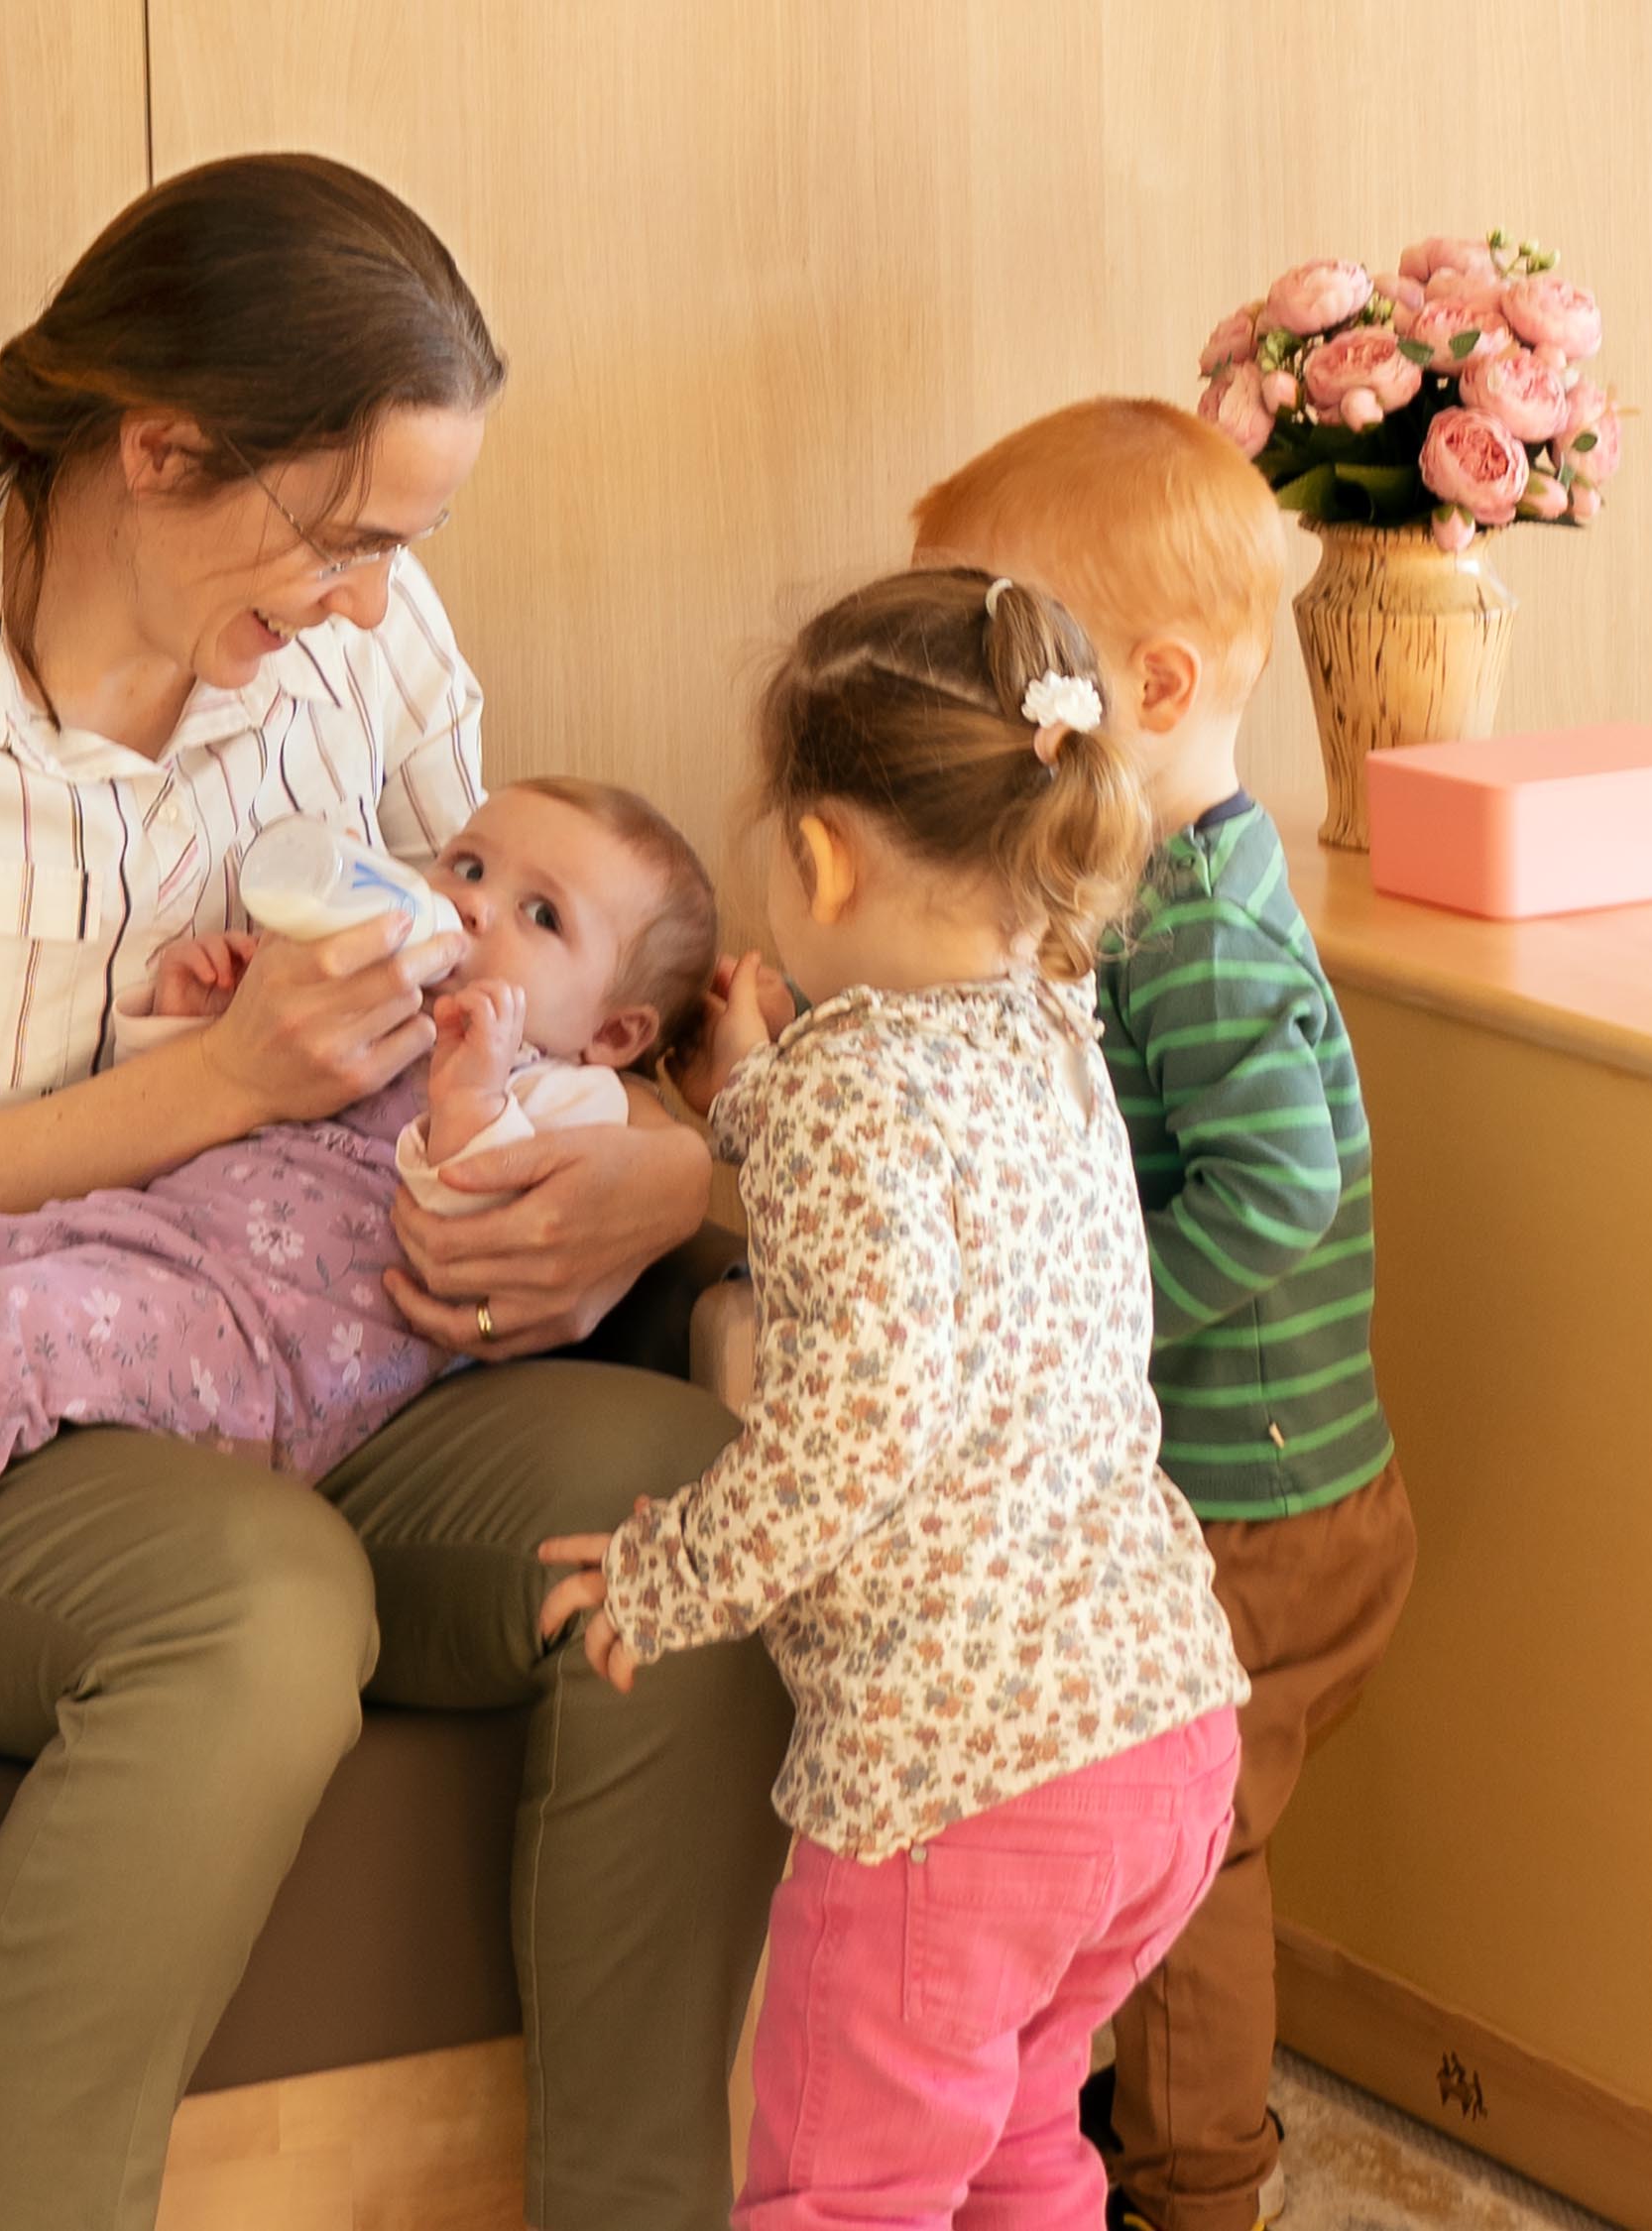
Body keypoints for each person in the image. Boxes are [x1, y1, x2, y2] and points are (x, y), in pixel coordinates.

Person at [0, 151, 789, 2231]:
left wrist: (666, 1182)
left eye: (399, 548)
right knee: (257, 1606)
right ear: (161, 449)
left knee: (698, 1517)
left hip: (310, 1367)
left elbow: (564, 986)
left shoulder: (364, 637)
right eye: (339, 539)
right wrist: (226, 1086)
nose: (367, 603)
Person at [541, 567, 1250, 2228]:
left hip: (963, 1789)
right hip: (1158, 1741)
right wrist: (756, 1101)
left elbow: (856, 1422)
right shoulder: (1057, 1028)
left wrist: (672, 1574)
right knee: (1017, 2140)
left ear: (820, 856)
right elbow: (927, 1209)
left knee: (846, 2191)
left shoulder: (854, 1101)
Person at [0, 777, 715, 1641]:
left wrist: (463, 1093)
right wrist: (185, 1014)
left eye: (540, 915)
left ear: (613, 1033)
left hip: (262, 1353)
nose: (470, 912)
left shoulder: (565, 1095)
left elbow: (482, 1218)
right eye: (466, 868)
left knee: (20, 1330)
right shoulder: (382, 994)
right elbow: (203, 1109)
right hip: (127, 1245)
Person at [916, 400, 1418, 2231]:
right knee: (1152, 1822)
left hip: (1265, 1515)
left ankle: (1202, 2184)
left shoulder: (1206, 929)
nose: (988, 735)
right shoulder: (1166, 881)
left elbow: (1277, 1189)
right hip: (1226, 1489)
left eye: (1012, 689)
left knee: (1189, 1842)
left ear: (1154, 682)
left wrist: (1083, 1321)